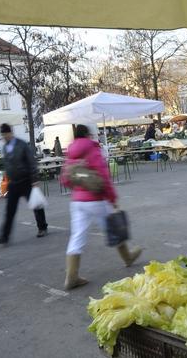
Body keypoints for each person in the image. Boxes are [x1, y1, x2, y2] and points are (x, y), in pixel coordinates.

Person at [60, 124, 142, 290]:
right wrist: (112, 198)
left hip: (77, 201)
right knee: (114, 228)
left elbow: (65, 179)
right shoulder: (92, 149)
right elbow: (104, 176)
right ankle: (128, 258)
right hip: (96, 199)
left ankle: (71, 277)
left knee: (77, 237)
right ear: (88, 135)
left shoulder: (71, 152)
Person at [0, 123, 48, 244]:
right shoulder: (6, 147)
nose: (4, 137)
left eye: (5, 134)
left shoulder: (21, 144)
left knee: (35, 204)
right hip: (14, 183)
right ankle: (4, 236)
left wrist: (35, 180)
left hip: (26, 180)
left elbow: (32, 162)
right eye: (2, 135)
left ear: (10, 133)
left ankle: (42, 227)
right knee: (9, 209)